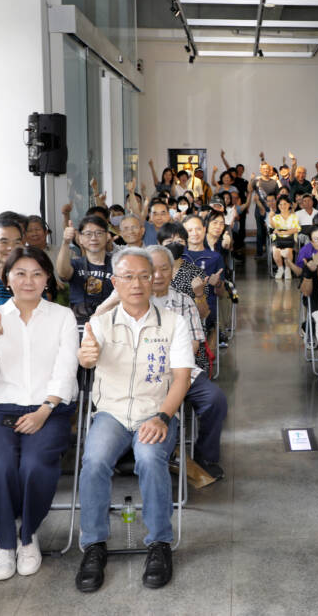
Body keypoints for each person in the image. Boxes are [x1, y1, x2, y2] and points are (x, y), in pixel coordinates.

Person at [75, 246, 194, 592]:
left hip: (155, 411)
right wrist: (85, 357)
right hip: (111, 413)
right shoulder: (100, 323)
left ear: (154, 278)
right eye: (128, 277)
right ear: (115, 282)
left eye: (145, 276)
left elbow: (182, 378)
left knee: (150, 458)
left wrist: (162, 417)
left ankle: (159, 542)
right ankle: (94, 545)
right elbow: (86, 359)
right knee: (94, 461)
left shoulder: (173, 323)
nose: (138, 284)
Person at [0, 246, 79, 581]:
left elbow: (66, 369)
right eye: (20, 273)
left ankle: (27, 535)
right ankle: (4, 541)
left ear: (47, 279)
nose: (28, 281)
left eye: (36, 274)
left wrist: (45, 409)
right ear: (7, 279)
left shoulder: (62, 317)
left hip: (50, 406)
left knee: (35, 465)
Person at [147, 245, 228, 479]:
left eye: (164, 268)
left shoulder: (184, 301)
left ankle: (205, 456)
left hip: (181, 369)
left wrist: (173, 369)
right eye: (152, 269)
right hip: (145, 371)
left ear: (172, 271)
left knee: (215, 400)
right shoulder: (133, 300)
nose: (158, 275)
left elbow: (193, 343)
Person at [56, 215, 114, 323]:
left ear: (107, 236)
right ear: (80, 239)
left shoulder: (118, 265)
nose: (93, 238)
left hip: (110, 320)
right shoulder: (76, 264)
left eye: (99, 233)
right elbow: (63, 273)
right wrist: (66, 242)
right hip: (79, 321)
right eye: (88, 234)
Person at [181, 214, 225, 331]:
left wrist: (218, 284)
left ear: (204, 229)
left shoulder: (215, 257)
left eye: (198, 229)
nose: (194, 233)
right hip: (180, 307)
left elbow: (221, 294)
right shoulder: (178, 255)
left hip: (206, 307)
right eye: (190, 230)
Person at [249, 162, 281, 258]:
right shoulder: (256, 181)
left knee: (272, 230)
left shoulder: (274, 182)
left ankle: (273, 252)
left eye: (267, 169)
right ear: (260, 170)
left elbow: (278, 196)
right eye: (263, 169)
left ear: (270, 170)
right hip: (259, 209)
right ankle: (259, 252)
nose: (266, 170)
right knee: (260, 232)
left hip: (271, 210)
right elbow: (249, 190)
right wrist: (251, 179)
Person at [270, 195, 301, 280]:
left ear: (289, 205)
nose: (282, 206)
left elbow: (296, 229)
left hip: (290, 240)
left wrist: (282, 232)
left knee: (288, 251)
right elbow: (273, 227)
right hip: (278, 240)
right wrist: (270, 217)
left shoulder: (294, 216)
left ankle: (288, 269)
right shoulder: (276, 217)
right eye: (280, 204)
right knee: (275, 251)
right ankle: (280, 269)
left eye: (285, 204)